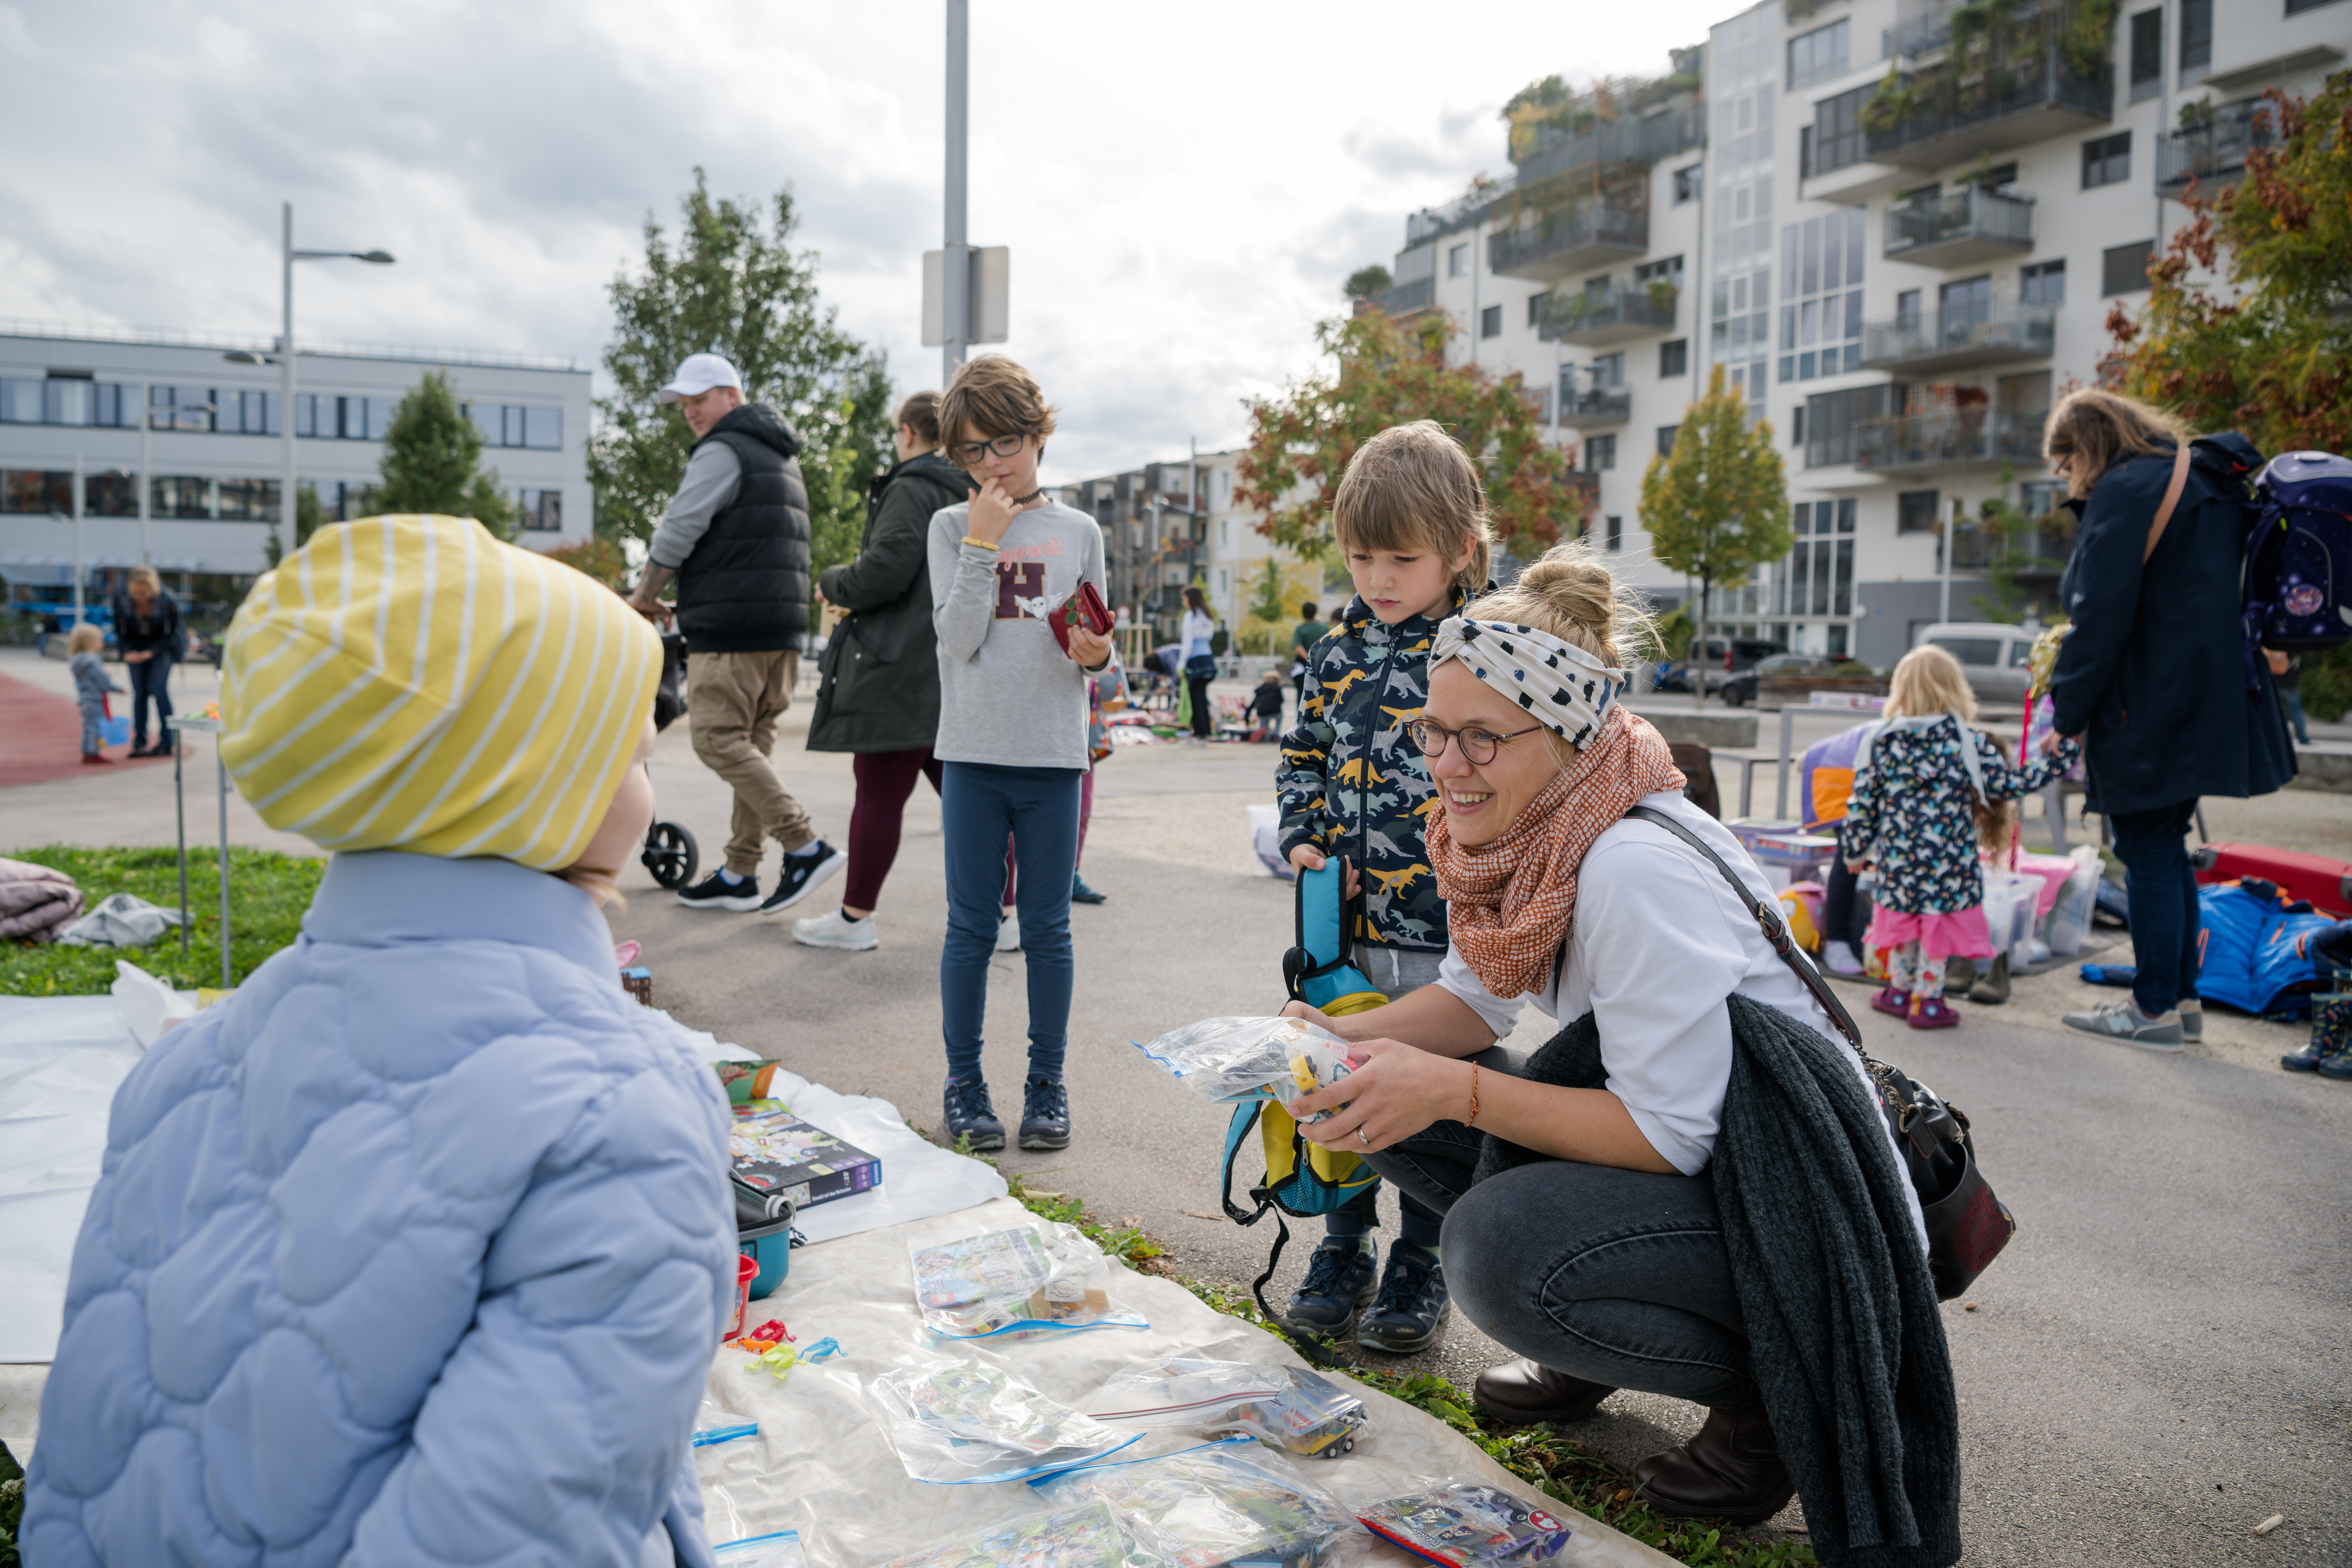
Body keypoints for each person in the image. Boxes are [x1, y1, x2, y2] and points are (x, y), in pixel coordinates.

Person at [23, 514, 736, 1567]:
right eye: (629, 757)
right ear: (525, 784)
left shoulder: (182, 1067)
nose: (648, 788)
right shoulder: (621, 1109)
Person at [1277, 541, 1958, 1556]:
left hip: (1805, 1203)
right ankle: (1595, 1338)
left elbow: (1672, 1131)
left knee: (1497, 1245)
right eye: (1433, 731)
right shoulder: (1541, 826)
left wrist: (1453, 1091)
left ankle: (1769, 1399)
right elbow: (1474, 999)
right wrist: (1335, 1037)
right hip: (1725, 1163)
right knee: (1372, 1095)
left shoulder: (1630, 863)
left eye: (1480, 739)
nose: (1447, 766)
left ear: (1562, 733)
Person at [1272, 420, 1489, 1355]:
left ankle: (1422, 1257)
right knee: (1340, 1083)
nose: (1379, 579)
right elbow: (1302, 759)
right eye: (1362, 557)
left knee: (1430, 1099)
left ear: (1461, 552)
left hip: (1443, 934)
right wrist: (1303, 838)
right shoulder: (1333, 653)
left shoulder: (1481, 651)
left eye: (1403, 558)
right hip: (1343, 930)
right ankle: (1345, 1245)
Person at [2043, 389, 2295, 1048]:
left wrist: (2064, 713)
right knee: (2166, 846)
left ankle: (2150, 1007)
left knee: (2146, 850)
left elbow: (2100, 616)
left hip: (2147, 702)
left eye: (2062, 459)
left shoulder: (2126, 493)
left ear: (2087, 445)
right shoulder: (2201, 481)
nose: (2061, 476)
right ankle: (2180, 1000)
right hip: (2202, 698)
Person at [928, 356, 1111, 1154]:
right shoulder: (949, 528)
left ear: (1037, 433)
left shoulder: (1080, 532)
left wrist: (1097, 653)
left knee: (1048, 929)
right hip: (970, 755)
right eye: (972, 451)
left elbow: (1100, 654)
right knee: (969, 927)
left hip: (1052, 756)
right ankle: (964, 1083)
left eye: (1004, 440)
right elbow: (957, 639)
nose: (993, 462)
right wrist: (981, 543)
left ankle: (1048, 1083)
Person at [626, 352, 846, 918]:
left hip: (732, 633)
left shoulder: (724, 448)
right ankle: (739, 872)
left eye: (699, 400)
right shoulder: (779, 455)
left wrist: (646, 595)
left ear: (731, 394)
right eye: (685, 404)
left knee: (718, 740)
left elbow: (680, 526)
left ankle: (803, 845)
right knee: (754, 743)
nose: (691, 413)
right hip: (779, 630)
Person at [797, 391, 973, 952]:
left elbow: (889, 566)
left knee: (877, 795)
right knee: (973, 800)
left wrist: (834, 581)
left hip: (900, 666)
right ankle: (1007, 913)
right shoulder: (974, 488)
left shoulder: (911, 486)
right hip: (956, 662)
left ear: (906, 433)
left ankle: (854, 919)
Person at [1836, 645, 2078, 1028]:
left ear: (1902, 689)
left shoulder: (1881, 741)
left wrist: (1854, 851)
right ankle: (1928, 1000)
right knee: (1937, 923)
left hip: (1899, 859)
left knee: (1905, 920)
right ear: (1954, 688)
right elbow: (2008, 785)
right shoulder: (1968, 741)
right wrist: (2060, 759)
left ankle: (1899, 990)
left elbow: (1862, 803)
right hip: (1948, 862)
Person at [110, 565, 181, 757]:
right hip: (134, 649)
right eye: (135, 592)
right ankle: (139, 743)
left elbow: (173, 633)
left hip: (160, 649)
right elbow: (119, 630)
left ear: (153, 589)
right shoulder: (123, 599)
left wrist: (152, 652)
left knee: (160, 692)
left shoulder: (166, 600)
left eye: (143, 592)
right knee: (140, 695)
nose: (139, 596)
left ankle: (167, 742)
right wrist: (126, 652)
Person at [66, 623, 121, 764]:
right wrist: (116, 688)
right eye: (100, 640)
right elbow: (101, 679)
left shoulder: (77, 660)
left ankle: (87, 751)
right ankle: (92, 753)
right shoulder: (92, 660)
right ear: (88, 643)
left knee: (88, 726)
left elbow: (91, 677)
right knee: (94, 727)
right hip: (95, 699)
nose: (103, 644)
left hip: (84, 699)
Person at [1180, 585, 1218, 742]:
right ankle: (1205, 732)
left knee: (1196, 698)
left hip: (1195, 659)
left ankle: (1199, 734)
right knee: (1202, 696)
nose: (1183, 603)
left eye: (1184, 599)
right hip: (1207, 658)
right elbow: (1209, 637)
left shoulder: (1190, 616)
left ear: (1190, 599)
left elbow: (1187, 643)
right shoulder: (1207, 615)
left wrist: (1181, 665)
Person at [1290, 599, 1326, 725]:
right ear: (1316, 612)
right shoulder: (1323, 628)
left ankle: (1301, 721)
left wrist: (1308, 659)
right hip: (1321, 664)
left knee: (1302, 694)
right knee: (1320, 693)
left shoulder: (1300, 629)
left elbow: (1298, 647)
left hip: (1303, 665)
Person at [2269, 647, 2311, 746]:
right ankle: (2302, 738)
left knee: (2275, 711)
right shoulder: (2293, 643)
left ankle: (2277, 739)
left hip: (2274, 682)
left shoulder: (2273, 641)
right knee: (2296, 711)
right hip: (2290, 684)